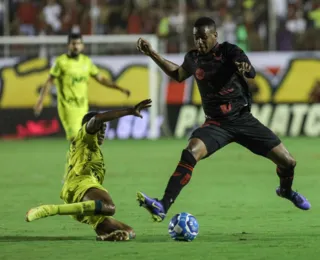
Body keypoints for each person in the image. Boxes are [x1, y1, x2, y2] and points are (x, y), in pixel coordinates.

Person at [136, 17, 311, 223]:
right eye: (196, 38)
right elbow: (178, 74)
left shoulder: (229, 51)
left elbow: (251, 71)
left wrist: (244, 67)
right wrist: (152, 53)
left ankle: (285, 191)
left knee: (288, 162)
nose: (199, 42)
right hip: (216, 124)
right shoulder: (193, 58)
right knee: (191, 151)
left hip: (242, 119)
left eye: (203, 38)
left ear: (215, 36)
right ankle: (163, 205)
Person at [26, 99, 152, 241]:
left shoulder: (91, 148)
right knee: (109, 207)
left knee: (128, 232)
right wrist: (129, 111)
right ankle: (49, 209)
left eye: (104, 128)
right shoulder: (85, 137)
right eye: (101, 128)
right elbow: (97, 118)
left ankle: (105, 236)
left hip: (82, 198)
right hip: (81, 185)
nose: (103, 131)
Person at [34, 33, 131, 142]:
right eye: (73, 44)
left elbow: (101, 79)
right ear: (68, 45)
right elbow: (49, 81)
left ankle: (81, 159)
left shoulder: (86, 62)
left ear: (82, 46)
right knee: (76, 139)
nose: (76, 46)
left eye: (78, 43)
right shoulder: (61, 62)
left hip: (83, 107)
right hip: (68, 106)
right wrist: (40, 101)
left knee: (85, 140)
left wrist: (119, 88)